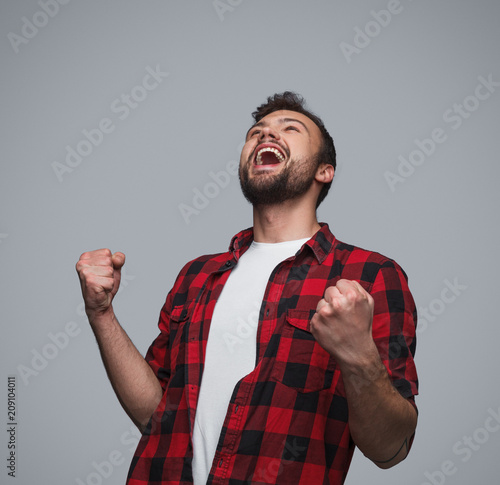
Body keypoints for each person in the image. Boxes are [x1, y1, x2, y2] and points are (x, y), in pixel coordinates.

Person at [76, 92, 418, 485]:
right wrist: (101, 315)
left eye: (290, 128)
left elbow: (390, 448)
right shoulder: (198, 275)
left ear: (325, 171)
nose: (265, 135)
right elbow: (157, 417)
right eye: (256, 132)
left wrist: (359, 355)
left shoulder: (369, 276)